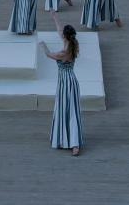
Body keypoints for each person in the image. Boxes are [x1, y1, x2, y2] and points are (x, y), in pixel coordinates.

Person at [40, 13, 82, 156]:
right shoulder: (71, 43)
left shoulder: (64, 52)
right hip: (68, 82)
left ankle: (74, 143)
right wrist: (55, 17)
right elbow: (59, 30)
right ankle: (66, 140)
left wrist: (43, 45)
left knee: (69, 111)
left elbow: (49, 54)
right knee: (68, 110)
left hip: (67, 83)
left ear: (65, 36)